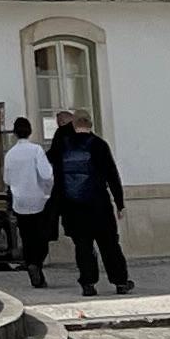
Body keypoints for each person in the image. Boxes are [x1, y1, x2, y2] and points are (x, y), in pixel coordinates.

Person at [50, 110, 134, 298]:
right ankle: (120, 281)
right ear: (91, 124)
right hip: (99, 205)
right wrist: (119, 203)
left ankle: (88, 283)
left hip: (73, 206)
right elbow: (112, 176)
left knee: (83, 246)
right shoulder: (99, 145)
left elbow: (56, 176)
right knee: (110, 244)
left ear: (73, 125)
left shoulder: (63, 147)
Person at [2, 115, 56, 289]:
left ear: (15, 133)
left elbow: (7, 179)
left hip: (20, 201)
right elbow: (47, 175)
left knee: (26, 237)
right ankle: (37, 263)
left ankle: (31, 263)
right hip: (39, 199)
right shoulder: (36, 150)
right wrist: (47, 190)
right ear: (30, 131)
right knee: (42, 237)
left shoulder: (10, 154)